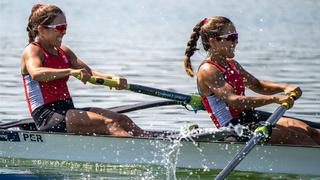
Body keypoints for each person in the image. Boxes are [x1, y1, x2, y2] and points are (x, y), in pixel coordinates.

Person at [183, 16, 320, 145]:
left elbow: (258, 85)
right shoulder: (208, 70)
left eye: (236, 37)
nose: (236, 41)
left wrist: (284, 87)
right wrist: (274, 99)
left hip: (250, 118)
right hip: (233, 130)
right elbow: (234, 101)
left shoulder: (232, 64)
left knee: (310, 131)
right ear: (213, 41)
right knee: (301, 139)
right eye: (231, 37)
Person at [21, 4, 150, 137]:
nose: (64, 32)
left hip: (67, 110)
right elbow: (36, 73)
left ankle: (154, 146)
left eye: (65, 27)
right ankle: (140, 154)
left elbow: (88, 73)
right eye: (60, 28)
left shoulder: (64, 51)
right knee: (109, 123)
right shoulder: (32, 50)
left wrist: (113, 78)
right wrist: (70, 71)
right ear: (42, 30)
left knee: (123, 121)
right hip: (47, 116)